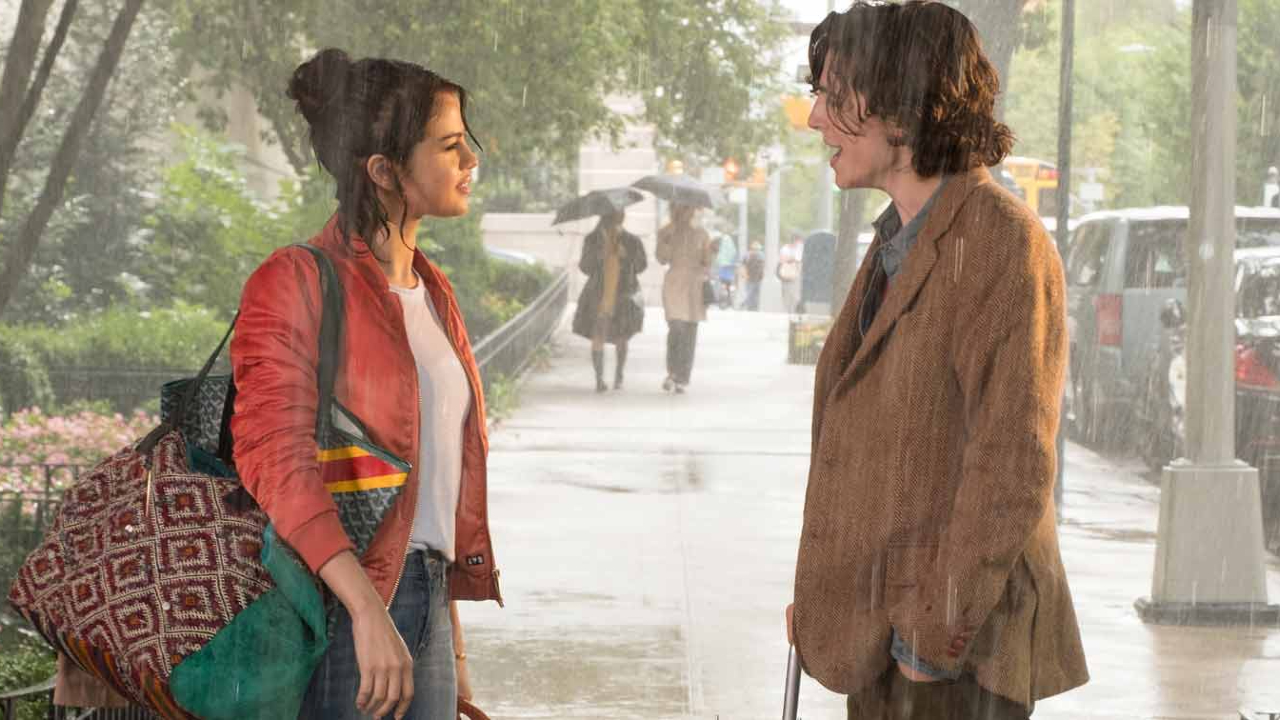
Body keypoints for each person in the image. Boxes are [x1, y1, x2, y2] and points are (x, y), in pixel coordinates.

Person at [786, 4, 1088, 719]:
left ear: (901, 104)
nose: (814, 119)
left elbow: (1012, 462)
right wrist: (832, 601)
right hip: (886, 642)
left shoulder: (1000, 242)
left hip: (952, 666)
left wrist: (928, 639)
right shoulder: (900, 240)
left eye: (834, 95)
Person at [231, 49, 501, 720]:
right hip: (341, 607)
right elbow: (276, 463)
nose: (471, 160)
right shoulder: (295, 280)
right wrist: (367, 612)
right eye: (449, 145)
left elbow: (428, 490)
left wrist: (449, 646)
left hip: (423, 601)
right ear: (383, 171)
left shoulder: (432, 292)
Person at [571, 209, 647, 392]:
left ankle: (619, 375)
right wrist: (599, 256)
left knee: (622, 337)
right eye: (618, 213)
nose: (621, 215)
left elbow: (641, 265)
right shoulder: (593, 239)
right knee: (598, 335)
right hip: (599, 295)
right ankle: (599, 379)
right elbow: (584, 267)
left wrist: (626, 256)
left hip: (623, 294)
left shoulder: (631, 240)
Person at [656, 202, 714, 393]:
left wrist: (711, 254)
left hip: (694, 286)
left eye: (688, 208)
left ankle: (683, 376)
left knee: (690, 330)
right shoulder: (666, 232)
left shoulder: (702, 235)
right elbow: (662, 258)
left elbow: (707, 262)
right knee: (676, 327)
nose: (685, 212)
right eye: (680, 208)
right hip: (674, 283)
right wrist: (665, 240)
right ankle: (672, 372)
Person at [778, 232, 804, 312]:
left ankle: (793, 310)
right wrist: (792, 259)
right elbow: (782, 260)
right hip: (786, 273)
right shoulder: (785, 248)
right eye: (799, 241)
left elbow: (800, 260)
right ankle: (787, 311)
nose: (800, 243)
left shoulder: (800, 249)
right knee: (786, 292)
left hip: (796, 273)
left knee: (795, 295)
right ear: (794, 240)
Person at [714, 232, 740, 308]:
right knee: (729, 287)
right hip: (730, 274)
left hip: (722, 273)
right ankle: (729, 301)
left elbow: (718, 260)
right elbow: (735, 259)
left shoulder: (721, 249)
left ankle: (719, 300)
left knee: (720, 286)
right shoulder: (733, 249)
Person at [743, 240, 766, 311]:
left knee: (752, 293)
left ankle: (752, 308)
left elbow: (743, 265)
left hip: (754, 277)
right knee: (753, 293)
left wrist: (745, 274)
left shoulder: (747, 255)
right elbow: (763, 266)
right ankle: (753, 308)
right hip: (754, 277)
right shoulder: (761, 255)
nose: (756, 250)